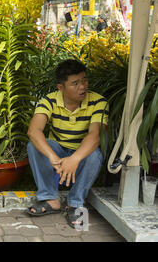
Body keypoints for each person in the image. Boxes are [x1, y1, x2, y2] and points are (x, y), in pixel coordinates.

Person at [25, 59, 108, 229]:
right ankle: (50, 199)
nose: (82, 87)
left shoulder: (99, 102)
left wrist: (75, 159)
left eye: (84, 80)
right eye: (75, 83)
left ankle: (75, 203)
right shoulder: (49, 101)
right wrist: (53, 157)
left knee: (95, 154)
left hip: (81, 157)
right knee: (34, 145)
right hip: (58, 156)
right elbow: (34, 131)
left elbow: (95, 135)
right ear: (60, 87)